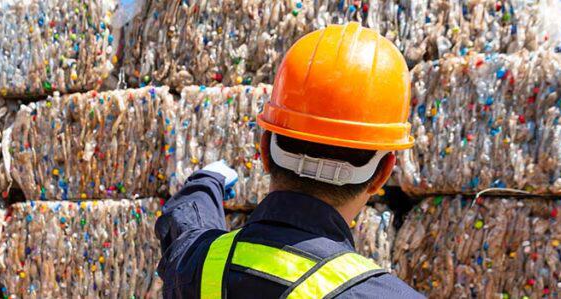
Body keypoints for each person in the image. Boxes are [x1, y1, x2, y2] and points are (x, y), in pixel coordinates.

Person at [155, 22, 425, 299]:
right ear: (383, 173)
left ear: (264, 150)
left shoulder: (194, 265)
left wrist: (205, 182)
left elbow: (185, 225)